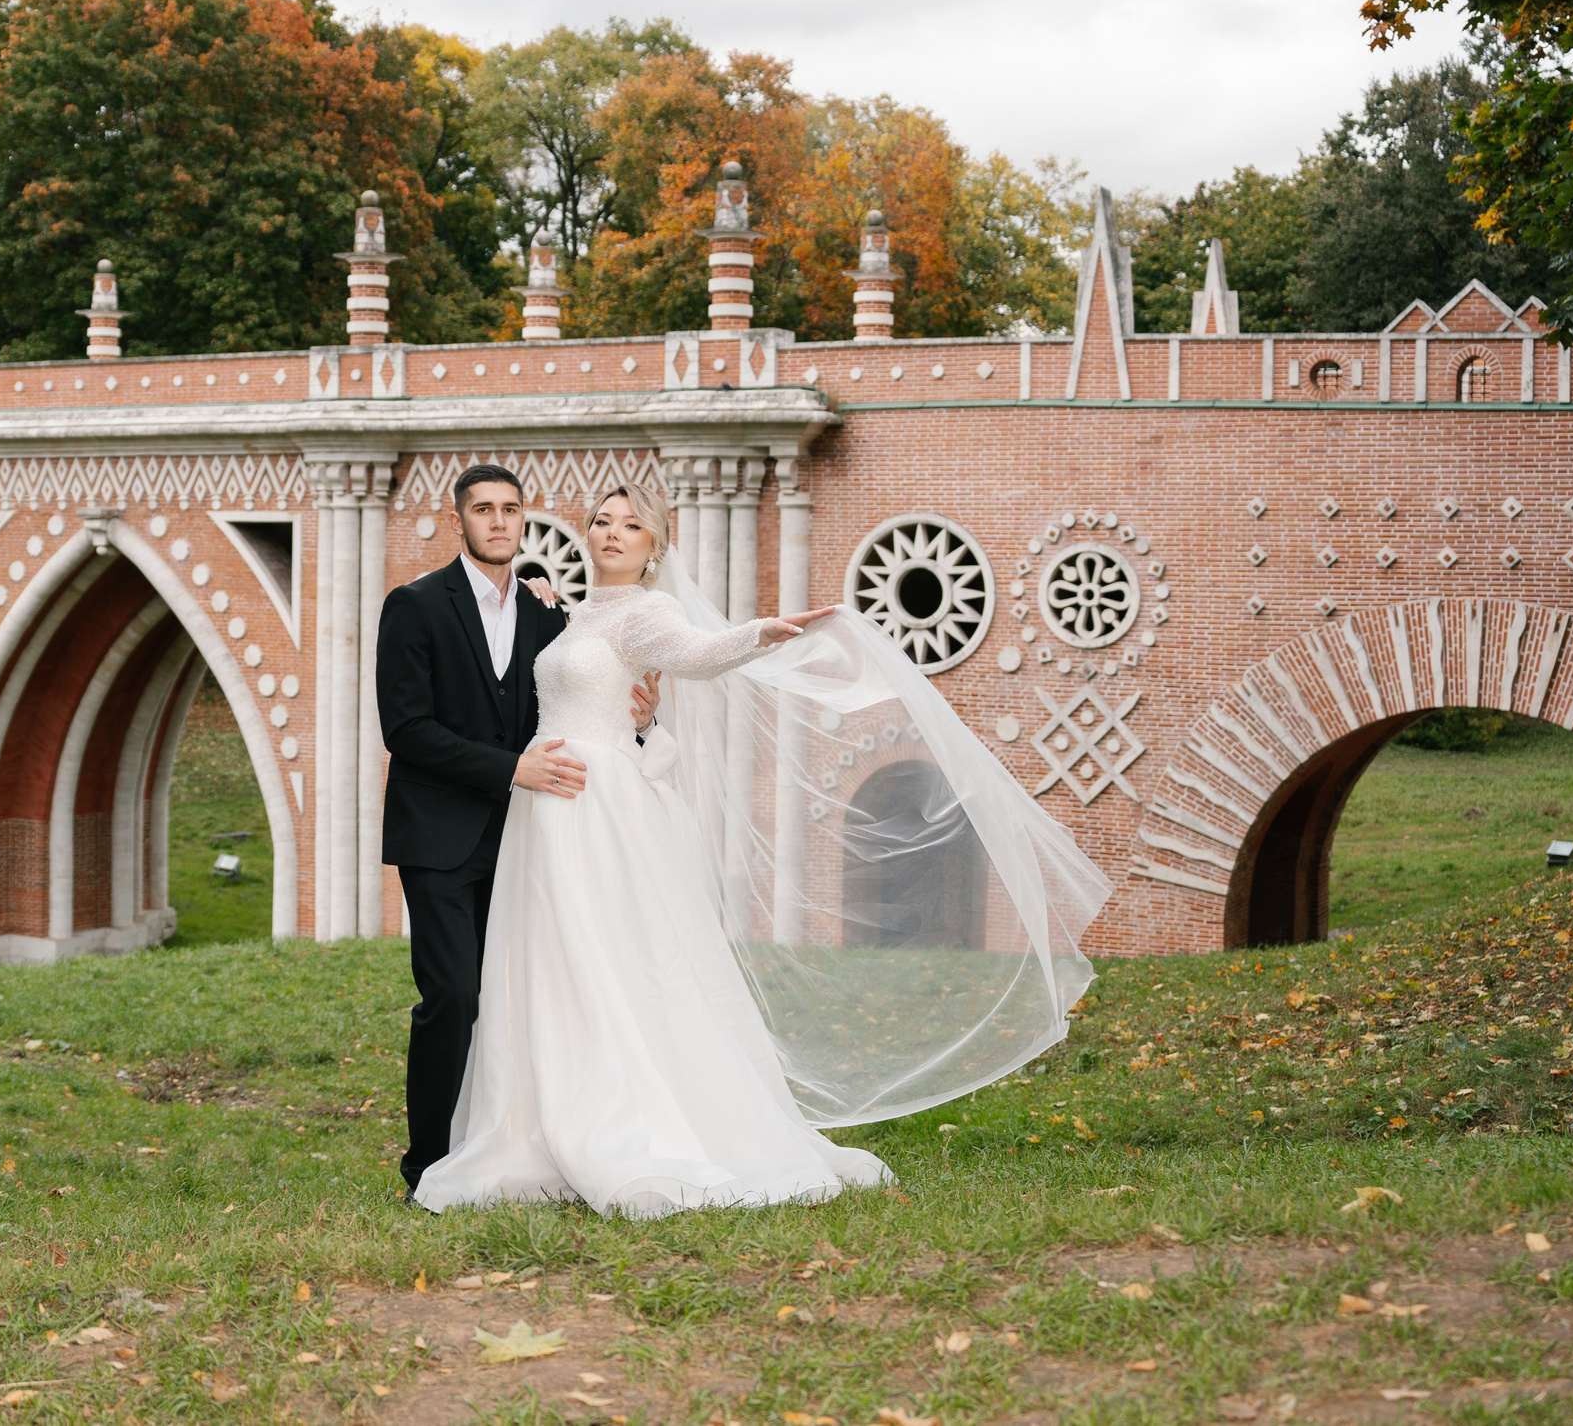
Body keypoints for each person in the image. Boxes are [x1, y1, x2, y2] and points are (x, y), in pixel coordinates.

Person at [410, 479, 1110, 1218]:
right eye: (603, 522)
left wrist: (758, 633)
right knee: (543, 965)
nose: (613, 533)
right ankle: (533, 1123)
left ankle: (621, 1112)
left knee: (609, 956)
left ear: (656, 547)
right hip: (543, 808)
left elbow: (695, 653)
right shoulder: (569, 612)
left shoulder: (651, 610)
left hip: (599, 802)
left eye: (632, 526)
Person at [372, 464, 656, 1196]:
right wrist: (511, 768)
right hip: (437, 836)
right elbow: (406, 729)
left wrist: (642, 721)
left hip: (526, 838)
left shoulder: (547, 615)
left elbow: (569, 711)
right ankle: (426, 1164)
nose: (498, 521)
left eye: (510, 509)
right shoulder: (413, 605)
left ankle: (508, 1139)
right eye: (483, 509)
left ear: (524, 519)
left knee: (519, 997)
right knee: (454, 996)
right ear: (459, 519)